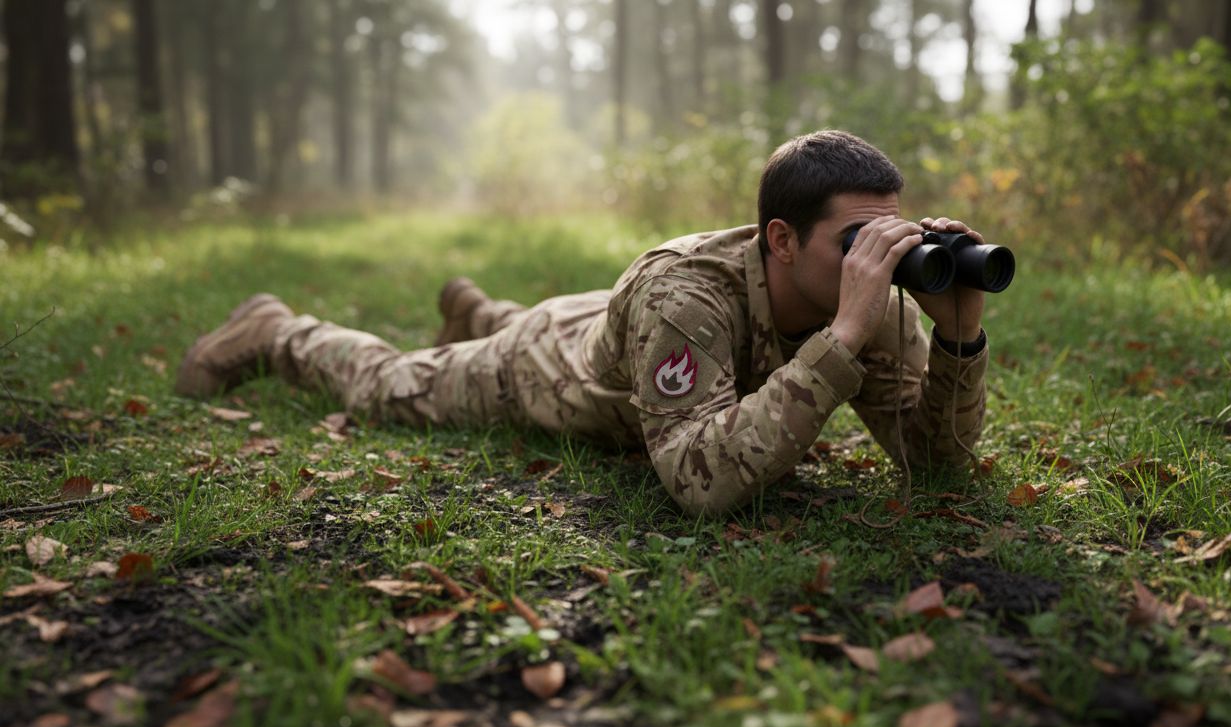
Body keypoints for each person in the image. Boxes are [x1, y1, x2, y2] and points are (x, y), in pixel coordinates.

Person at [176, 130, 991, 514]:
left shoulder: (867, 293)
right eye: (856, 242)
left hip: (608, 327)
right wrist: (842, 338)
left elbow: (937, 465)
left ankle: (478, 311)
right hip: (545, 370)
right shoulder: (692, 295)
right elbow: (698, 482)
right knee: (390, 385)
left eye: (888, 238)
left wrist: (959, 333)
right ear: (781, 239)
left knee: (562, 322)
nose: (875, 262)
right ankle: (277, 329)